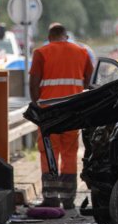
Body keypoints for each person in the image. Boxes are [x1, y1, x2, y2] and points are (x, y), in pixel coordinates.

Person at [29, 22, 94, 209]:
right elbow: (89, 83)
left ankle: (50, 198)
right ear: (66, 36)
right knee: (69, 153)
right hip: (71, 113)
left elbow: (33, 84)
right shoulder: (82, 53)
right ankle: (68, 199)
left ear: (49, 38)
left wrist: (37, 106)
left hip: (48, 112)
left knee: (49, 152)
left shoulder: (41, 53)